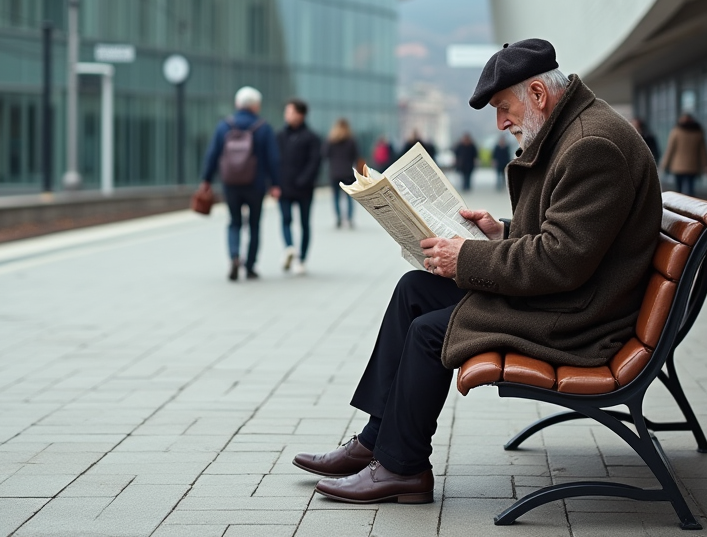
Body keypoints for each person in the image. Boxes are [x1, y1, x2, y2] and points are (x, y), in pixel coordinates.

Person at [292, 39, 661, 505]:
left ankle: (402, 467)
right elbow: (569, 244)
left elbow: (561, 261)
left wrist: (465, 257)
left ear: (538, 95)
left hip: (582, 318)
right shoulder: (576, 131)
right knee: (416, 290)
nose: (501, 123)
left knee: (431, 332)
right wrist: (499, 231)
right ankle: (375, 441)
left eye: (503, 109)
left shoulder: (592, 146)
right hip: (573, 295)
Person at [199, 86, 281, 281]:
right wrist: (275, 184)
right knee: (254, 225)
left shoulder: (224, 126)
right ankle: (250, 266)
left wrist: (206, 180)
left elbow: (212, 155)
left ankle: (234, 256)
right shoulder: (263, 127)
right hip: (256, 184)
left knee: (234, 222)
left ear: (237, 104)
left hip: (231, 184)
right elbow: (273, 159)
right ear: (256, 106)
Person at [277, 99, 321, 275]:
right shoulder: (279, 136)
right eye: (286, 112)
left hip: (304, 188)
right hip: (284, 187)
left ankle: (301, 259)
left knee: (304, 223)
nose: (287, 115)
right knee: (286, 219)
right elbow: (274, 161)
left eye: (291, 112)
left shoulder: (312, 138)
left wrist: (304, 180)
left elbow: (315, 162)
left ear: (301, 114)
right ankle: (290, 249)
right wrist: (274, 183)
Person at [324, 118, 361, 229]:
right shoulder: (351, 140)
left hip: (334, 172)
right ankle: (349, 218)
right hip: (347, 172)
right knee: (349, 196)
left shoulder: (330, 140)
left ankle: (339, 218)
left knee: (336, 197)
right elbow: (356, 156)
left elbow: (325, 154)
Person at [660, 113, 707, 196]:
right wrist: (706, 166)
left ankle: (679, 206)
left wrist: (664, 165)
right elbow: (703, 151)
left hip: (677, 166)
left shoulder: (676, 131)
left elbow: (670, 150)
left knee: (678, 189)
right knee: (690, 188)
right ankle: (690, 205)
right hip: (692, 166)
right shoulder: (698, 132)